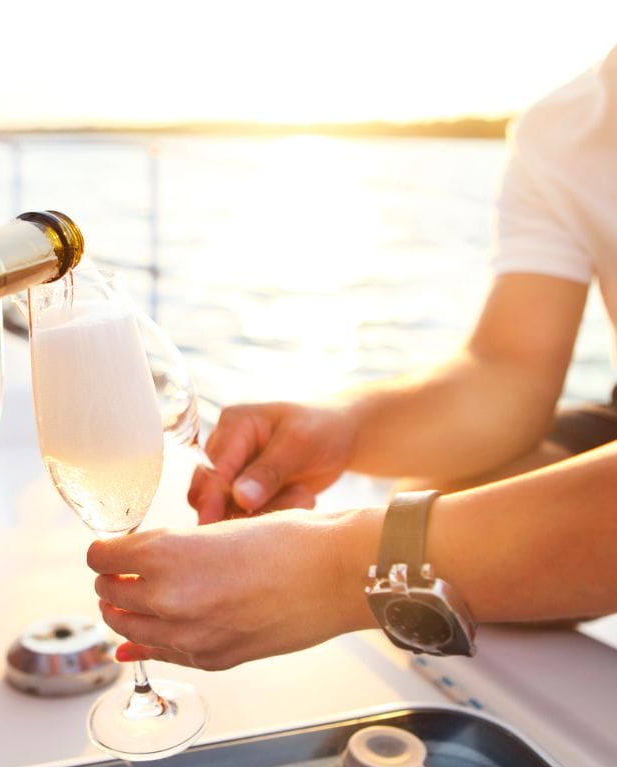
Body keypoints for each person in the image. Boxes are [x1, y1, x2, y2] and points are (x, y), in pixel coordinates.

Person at [88, 46, 617, 670]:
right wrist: (341, 426)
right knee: (435, 496)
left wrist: (341, 571)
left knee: (420, 537)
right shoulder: (563, 128)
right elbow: (509, 369)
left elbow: (365, 562)